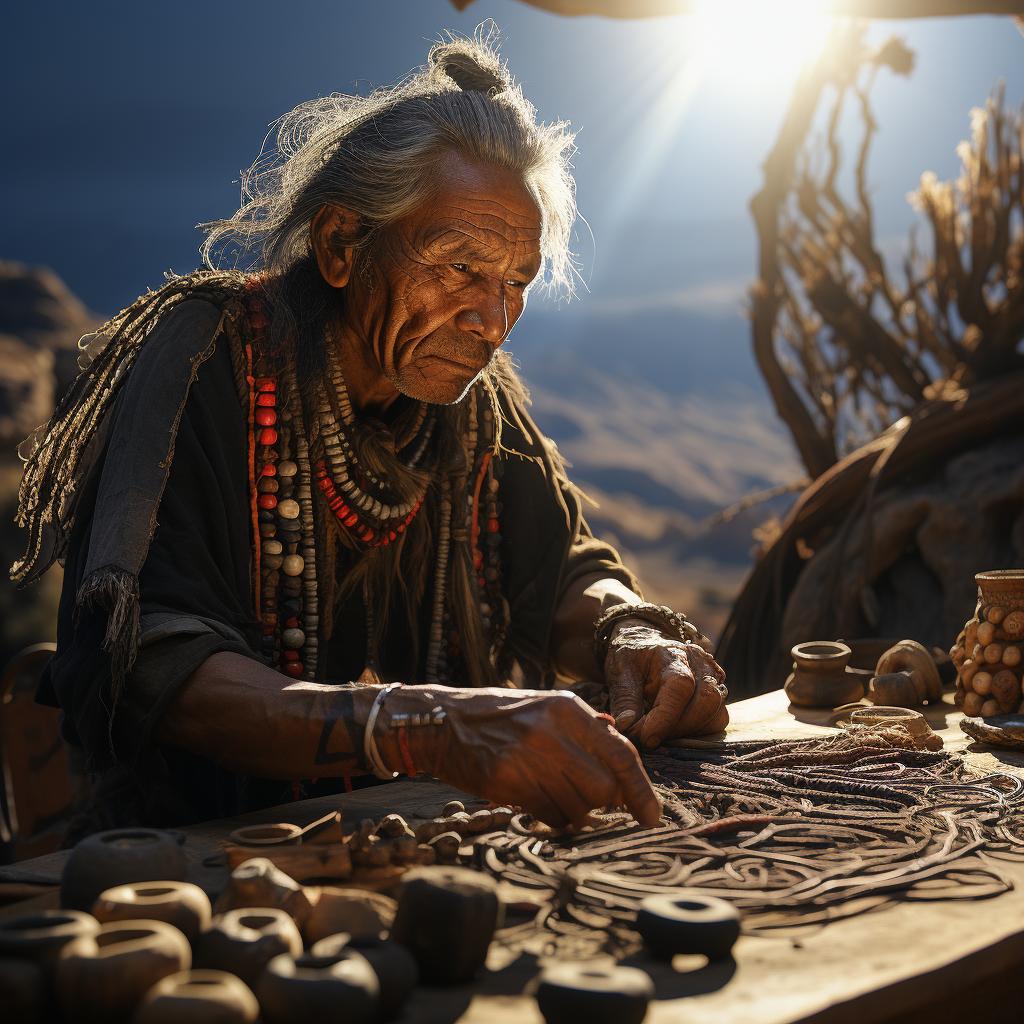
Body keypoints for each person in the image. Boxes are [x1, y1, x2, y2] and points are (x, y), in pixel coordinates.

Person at [13, 35, 728, 833]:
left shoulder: (473, 405)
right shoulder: (202, 369)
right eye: (460, 268)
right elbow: (154, 668)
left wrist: (628, 629)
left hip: (422, 839)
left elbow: (560, 569)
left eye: (515, 283)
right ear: (342, 245)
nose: (494, 324)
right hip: (193, 856)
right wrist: (431, 728)